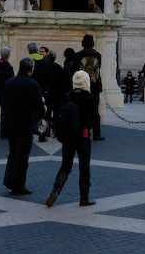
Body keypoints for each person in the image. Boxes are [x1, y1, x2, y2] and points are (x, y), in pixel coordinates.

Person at [45, 70, 98, 207]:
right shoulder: (89, 99)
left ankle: (55, 190)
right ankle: (84, 197)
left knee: (65, 166)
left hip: (68, 137)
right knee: (84, 167)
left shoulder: (67, 96)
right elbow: (95, 120)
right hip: (83, 137)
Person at [1, 57, 45, 196]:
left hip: (10, 123)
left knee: (13, 152)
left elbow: (4, 102)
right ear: (31, 69)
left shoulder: (9, 82)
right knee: (22, 156)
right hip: (25, 124)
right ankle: (18, 186)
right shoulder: (32, 84)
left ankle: (9, 180)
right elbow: (39, 105)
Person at [74, 34, 104, 140]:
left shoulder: (78, 55)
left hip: (81, 85)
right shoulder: (98, 55)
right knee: (95, 111)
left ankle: (81, 131)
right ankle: (96, 133)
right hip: (95, 86)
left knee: (80, 109)